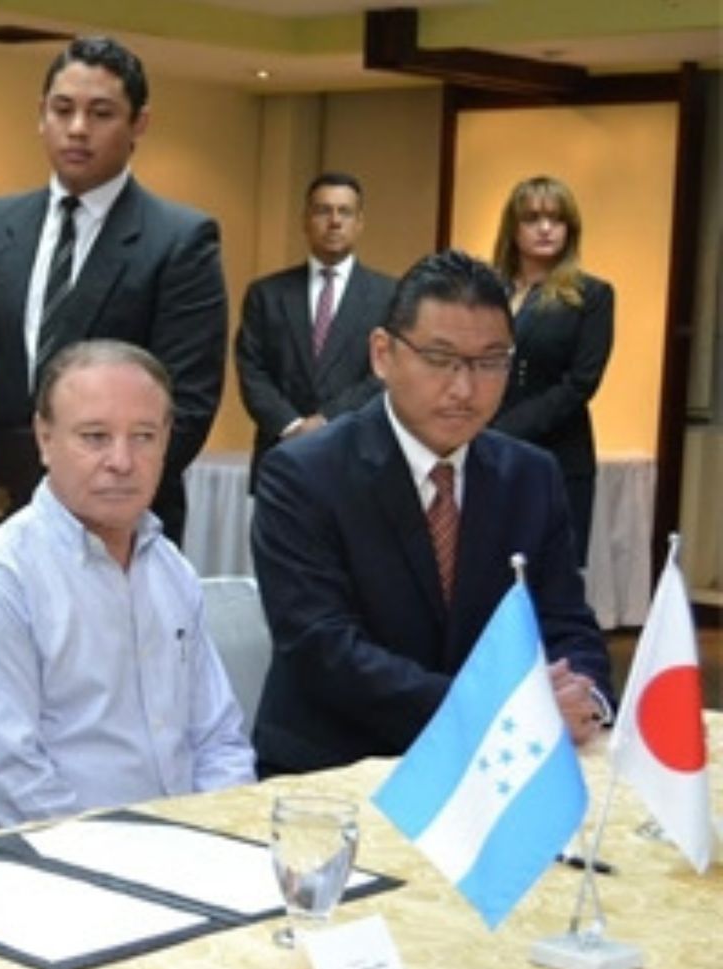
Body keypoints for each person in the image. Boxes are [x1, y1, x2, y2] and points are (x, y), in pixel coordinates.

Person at [250, 251, 611, 777]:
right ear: (382, 354)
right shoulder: (304, 474)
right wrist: (496, 712)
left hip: (497, 767)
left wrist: (586, 697)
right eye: (440, 359)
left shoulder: (531, 475)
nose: (464, 388)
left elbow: (565, 622)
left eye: (490, 362)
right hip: (340, 768)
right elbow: (325, 651)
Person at [0, 34, 226, 542]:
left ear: (139, 124)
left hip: (118, 516)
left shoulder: (179, 239)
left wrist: (100, 488)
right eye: (63, 110)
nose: (78, 129)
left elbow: (188, 404)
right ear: (41, 114)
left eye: (101, 113)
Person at [0, 340, 255, 827]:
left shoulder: (171, 569)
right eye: (95, 437)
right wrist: (128, 861)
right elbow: (10, 785)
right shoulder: (0, 580)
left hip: (197, 848)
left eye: (144, 436)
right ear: (44, 439)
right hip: (65, 859)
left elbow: (220, 740)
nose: (122, 460)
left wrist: (221, 834)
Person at [235, 172, 397, 489]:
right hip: (281, 455)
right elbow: (252, 371)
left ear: (359, 223)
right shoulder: (266, 294)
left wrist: (325, 422)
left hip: (358, 459)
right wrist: (292, 427)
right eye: (323, 211)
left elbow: (386, 374)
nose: (334, 221)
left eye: (344, 212)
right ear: (305, 220)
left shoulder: (389, 295)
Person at [490, 175, 614, 567]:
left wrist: (502, 431)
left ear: (570, 229)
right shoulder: (487, 290)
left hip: (556, 456)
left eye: (556, 219)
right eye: (532, 218)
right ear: (513, 228)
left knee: (550, 577)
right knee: (485, 572)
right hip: (484, 454)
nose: (545, 228)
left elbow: (580, 383)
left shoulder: (592, 295)